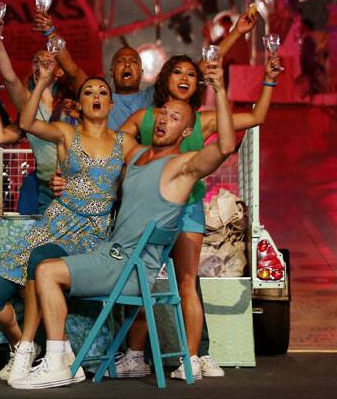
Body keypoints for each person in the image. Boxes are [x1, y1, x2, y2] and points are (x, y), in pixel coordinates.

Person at [14, 61, 236, 390]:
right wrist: (67, 177)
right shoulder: (135, 154)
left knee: (46, 272)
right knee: (41, 264)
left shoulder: (182, 167)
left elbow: (225, 147)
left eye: (175, 118)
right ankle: (61, 361)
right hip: (111, 255)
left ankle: (57, 362)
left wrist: (218, 90)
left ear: (187, 132)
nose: (164, 120)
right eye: (162, 113)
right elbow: (98, 149)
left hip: (130, 271)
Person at [113, 51, 283, 380]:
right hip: (150, 211)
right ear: (165, 79)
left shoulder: (203, 120)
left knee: (188, 282)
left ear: (196, 85)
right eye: (177, 72)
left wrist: (269, 79)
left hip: (187, 208)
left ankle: (192, 357)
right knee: (142, 281)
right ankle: (135, 356)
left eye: (191, 74)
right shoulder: (144, 118)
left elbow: (257, 116)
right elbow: (111, 147)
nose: (185, 78)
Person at [0, 54, 136, 386]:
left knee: (40, 260)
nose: (95, 96)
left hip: (90, 232)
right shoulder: (66, 132)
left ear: (110, 104)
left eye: (102, 92)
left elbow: (144, 177)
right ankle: (29, 345)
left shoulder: (125, 143)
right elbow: (28, 123)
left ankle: (26, 351)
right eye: (89, 92)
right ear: (79, 103)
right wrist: (45, 82)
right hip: (55, 221)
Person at [0, 12, 74, 212]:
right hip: (47, 190)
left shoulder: (74, 103)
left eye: (47, 61)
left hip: (77, 188)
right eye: (36, 62)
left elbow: (74, 70)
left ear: (59, 71)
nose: (40, 65)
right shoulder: (27, 104)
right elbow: (9, 78)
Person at [41, 12, 151, 131]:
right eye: (121, 61)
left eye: (133, 61)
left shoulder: (153, 95)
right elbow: (72, 71)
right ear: (112, 72)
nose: (127, 64)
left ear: (142, 73)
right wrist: (50, 32)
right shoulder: (99, 97)